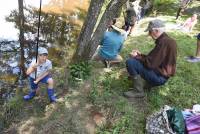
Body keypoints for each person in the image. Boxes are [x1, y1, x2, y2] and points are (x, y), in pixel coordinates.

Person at [124, 19, 177, 98]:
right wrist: (140, 55)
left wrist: (136, 56)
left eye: (150, 32)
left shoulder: (163, 43)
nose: (149, 34)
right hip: (162, 75)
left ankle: (138, 91)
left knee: (131, 62)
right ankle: (147, 83)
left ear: (156, 31)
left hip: (159, 77)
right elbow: (156, 59)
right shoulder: (168, 40)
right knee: (136, 60)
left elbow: (150, 64)